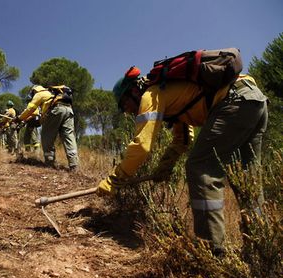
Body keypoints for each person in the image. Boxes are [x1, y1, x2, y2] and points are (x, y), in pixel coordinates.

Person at [98, 66, 268, 256]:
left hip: (233, 101)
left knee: (200, 167)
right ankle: (261, 250)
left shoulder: (150, 96)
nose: (127, 111)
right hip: (253, 99)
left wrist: (114, 179)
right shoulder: (172, 92)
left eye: (124, 104)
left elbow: (142, 146)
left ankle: (211, 251)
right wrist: (165, 167)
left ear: (133, 91)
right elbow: (183, 140)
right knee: (247, 179)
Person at [14, 85, 79, 171]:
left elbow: (30, 109)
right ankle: (74, 165)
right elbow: (46, 113)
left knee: (46, 136)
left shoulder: (39, 94)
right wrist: (39, 122)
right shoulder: (52, 94)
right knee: (69, 137)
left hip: (56, 110)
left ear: (34, 91)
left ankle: (50, 163)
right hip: (69, 110)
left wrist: (19, 118)